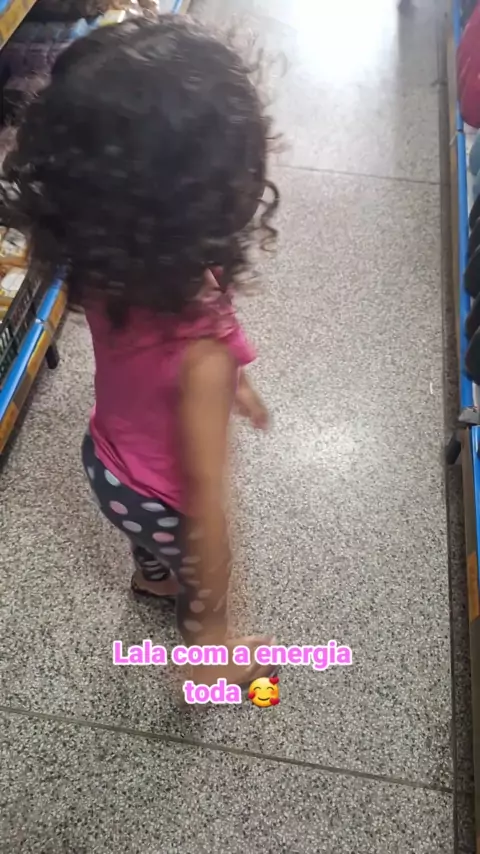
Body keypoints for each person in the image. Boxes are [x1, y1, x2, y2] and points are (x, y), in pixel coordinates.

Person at [1, 16, 279, 687]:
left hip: (105, 461)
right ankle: (208, 663)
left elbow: (152, 363)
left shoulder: (108, 262)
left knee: (152, 546)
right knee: (204, 570)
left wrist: (235, 380)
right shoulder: (203, 354)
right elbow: (204, 494)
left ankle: (151, 576)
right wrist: (218, 589)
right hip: (165, 496)